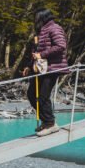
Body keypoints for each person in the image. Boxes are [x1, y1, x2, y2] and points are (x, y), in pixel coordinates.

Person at [24, 8, 69, 137]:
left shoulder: (54, 28)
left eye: (37, 17)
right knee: (31, 94)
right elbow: (35, 51)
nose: (35, 20)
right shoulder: (41, 30)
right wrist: (29, 65)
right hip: (40, 68)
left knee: (43, 96)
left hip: (52, 68)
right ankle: (46, 121)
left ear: (43, 17)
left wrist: (42, 55)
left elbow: (61, 46)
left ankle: (50, 124)